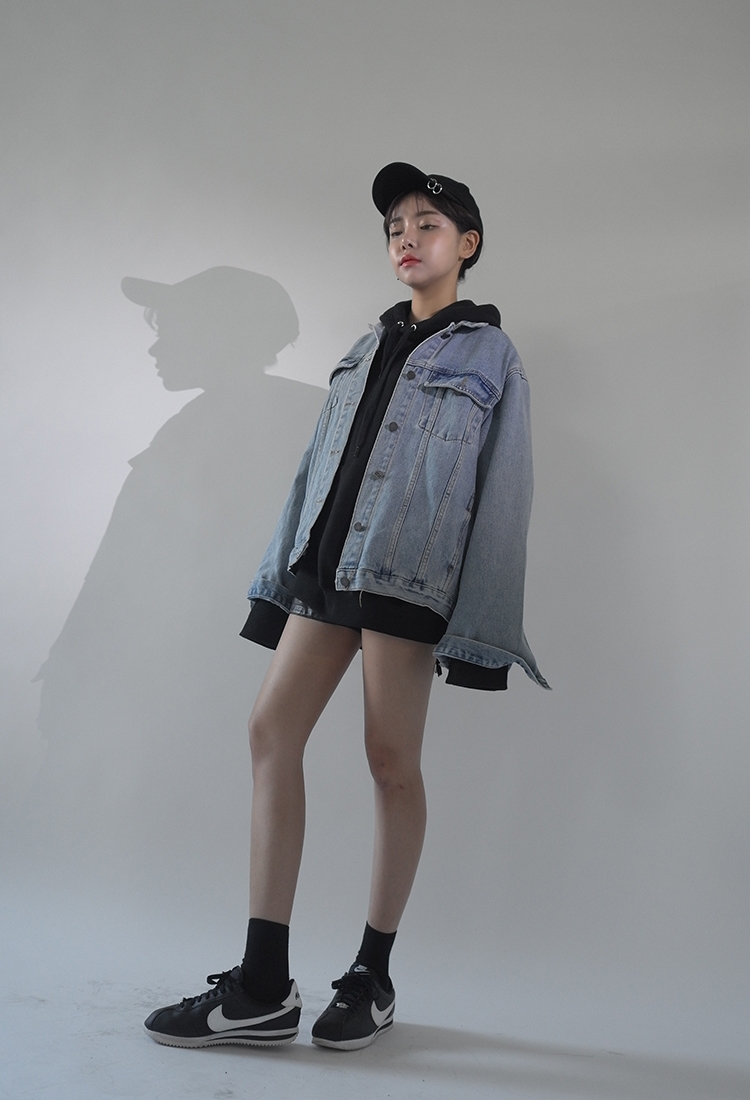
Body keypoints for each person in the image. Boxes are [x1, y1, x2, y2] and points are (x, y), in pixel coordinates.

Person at [143, 162, 548, 1053]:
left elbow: (505, 495)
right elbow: (313, 472)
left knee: (390, 762)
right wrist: (279, 579)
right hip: (327, 570)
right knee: (270, 732)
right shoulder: (366, 346)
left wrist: (478, 632)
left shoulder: (491, 356)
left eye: (427, 224)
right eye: (395, 227)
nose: (407, 237)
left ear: (467, 244)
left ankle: (372, 974)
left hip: (406, 580)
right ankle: (261, 984)